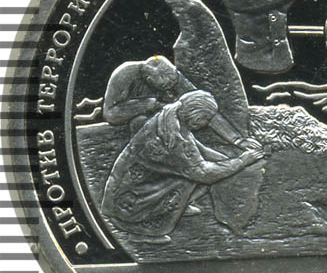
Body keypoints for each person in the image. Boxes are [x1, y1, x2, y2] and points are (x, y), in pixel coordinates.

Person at [101, 90, 264, 244]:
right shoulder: (175, 138)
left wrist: (230, 158)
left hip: (125, 186)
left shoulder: (169, 119)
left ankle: (178, 206)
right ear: (195, 116)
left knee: (206, 172)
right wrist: (242, 161)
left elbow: (199, 149)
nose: (206, 124)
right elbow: (204, 173)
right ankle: (142, 230)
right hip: (129, 201)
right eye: (206, 119)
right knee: (195, 178)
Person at [103, 54, 259, 149]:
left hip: (167, 122)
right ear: (149, 80)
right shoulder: (124, 75)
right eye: (165, 86)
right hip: (140, 125)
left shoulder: (173, 77)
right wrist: (148, 104)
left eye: (173, 82)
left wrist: (237, 140)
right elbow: (110, 114)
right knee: (140, 122)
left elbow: (203, 106)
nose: (171, 88)